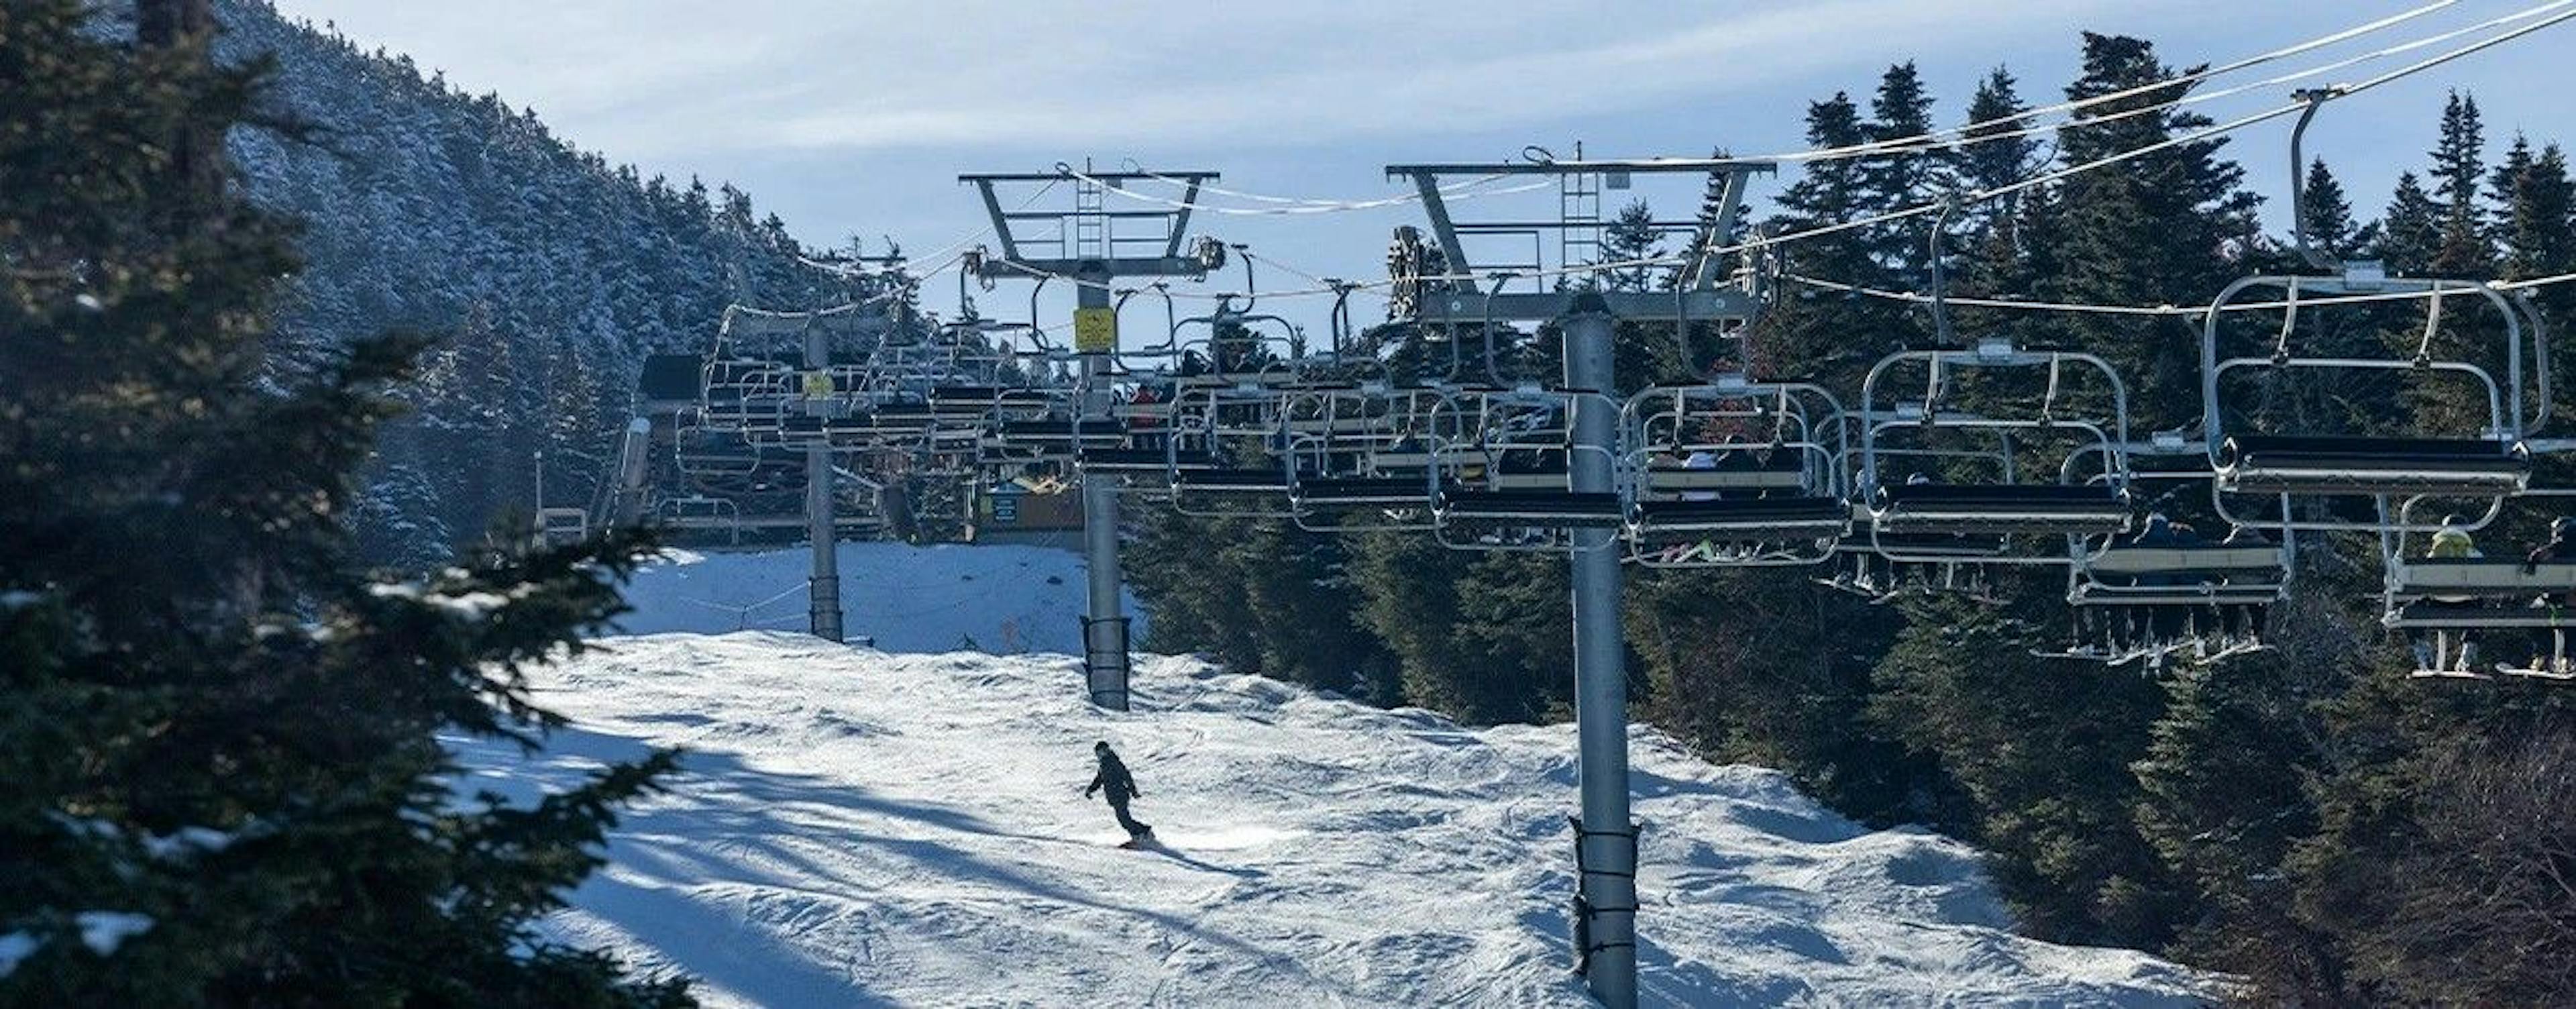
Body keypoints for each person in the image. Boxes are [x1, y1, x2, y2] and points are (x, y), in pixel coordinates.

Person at [1084, 741, 1154, 845]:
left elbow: (1127, 776)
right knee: (1123, 820)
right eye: (1098, 753)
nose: (1100, 755)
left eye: (1102, 752)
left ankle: (1142, 833)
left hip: (1120, 795)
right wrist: (1090, 790)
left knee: (1124, 819)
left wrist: (1133, 791)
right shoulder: (1104, 765)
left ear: (1106, 751)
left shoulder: (1114, 762)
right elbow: (1099, 780)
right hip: (1114, 796)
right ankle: (1141, 833)